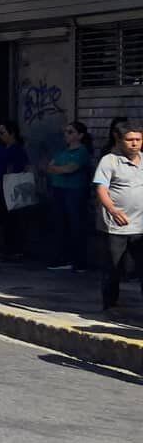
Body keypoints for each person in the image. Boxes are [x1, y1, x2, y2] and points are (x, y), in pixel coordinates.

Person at [92, 121, 143, 315]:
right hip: (116, 226)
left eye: (138, 139)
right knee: (113, 268)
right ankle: (110, 304)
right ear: (120, 140)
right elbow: (101, 188)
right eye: (130, 140)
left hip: (140, 226)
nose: (134, 143)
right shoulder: (109, 161)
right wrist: (113, 210)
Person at [45, 121, 94, 272]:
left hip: (75, 192)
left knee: (76, 226)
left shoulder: (82, 152)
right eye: (66, 131)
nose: (66, 134)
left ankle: (79, 261)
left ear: (80, 135)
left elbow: (70, 169)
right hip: (59, 190)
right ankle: (63, 258)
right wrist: (57, 169)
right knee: (61, 225)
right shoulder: (63, 151)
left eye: (70, 132)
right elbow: (49, 166)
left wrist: (57, 169)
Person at [0, 120, 30, 260]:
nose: (0, 136)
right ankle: (1, 246)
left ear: (12, 133)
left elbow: (18, 168)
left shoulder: (17, 150)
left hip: (9, 188)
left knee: (10, 220)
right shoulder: (1, 148)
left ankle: (12, 248)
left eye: (3, 132)